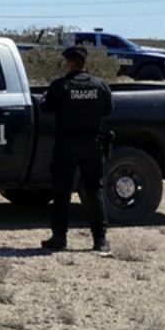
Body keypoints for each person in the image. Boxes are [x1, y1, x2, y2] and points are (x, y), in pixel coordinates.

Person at [41, 45, 113, 252]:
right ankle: (100, 240)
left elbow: (46, 107)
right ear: (84, 62)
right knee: (94, 191)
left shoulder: (61, 86)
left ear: (70, 62)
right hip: (92, 145)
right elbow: (108, 109)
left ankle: (59, 239)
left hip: (66, 146)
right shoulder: (99, 86)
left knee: (62, 193)